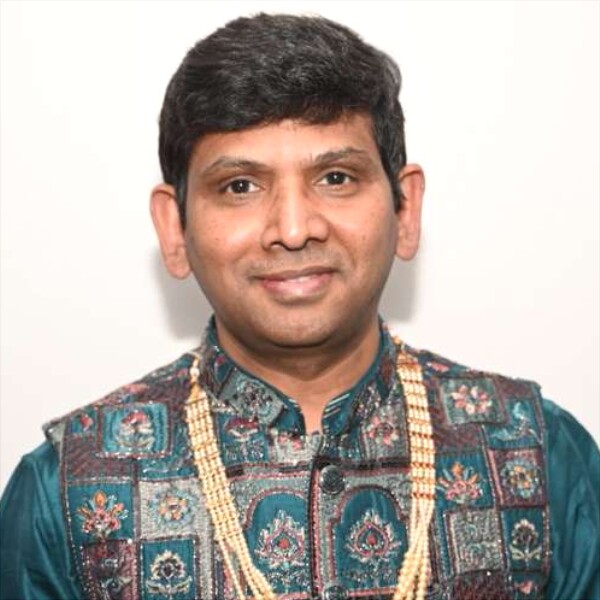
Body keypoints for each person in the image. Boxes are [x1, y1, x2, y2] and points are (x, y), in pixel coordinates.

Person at [1, 12, 598, 600]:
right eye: (240, 186)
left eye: (336, 177)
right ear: (174, 229)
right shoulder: (66, 490)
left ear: (405, 209)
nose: (292, 229)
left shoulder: (540, 455)